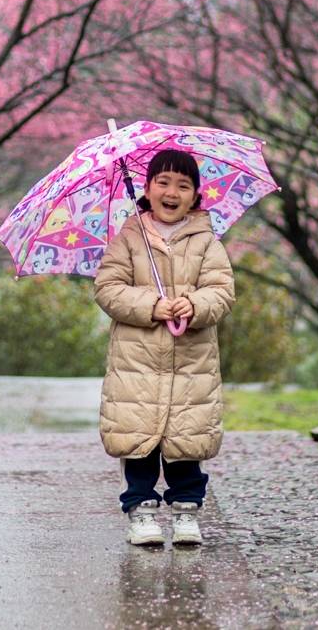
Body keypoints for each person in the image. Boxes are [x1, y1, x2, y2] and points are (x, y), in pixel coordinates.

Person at [93, 146, 236, 548]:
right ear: (147, 187)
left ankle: (187, 511)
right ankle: (140, 511)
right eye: (164, 182)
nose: (172, 191)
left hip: (191, 362)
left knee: (186, 438)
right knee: (138, 439)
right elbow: (108, 288)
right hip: (136, 361)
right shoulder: (128, 239)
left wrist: (194, 305)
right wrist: (152, 306)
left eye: (183, 185)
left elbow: (222, 291)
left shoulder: (208, 242)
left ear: (196, 195)